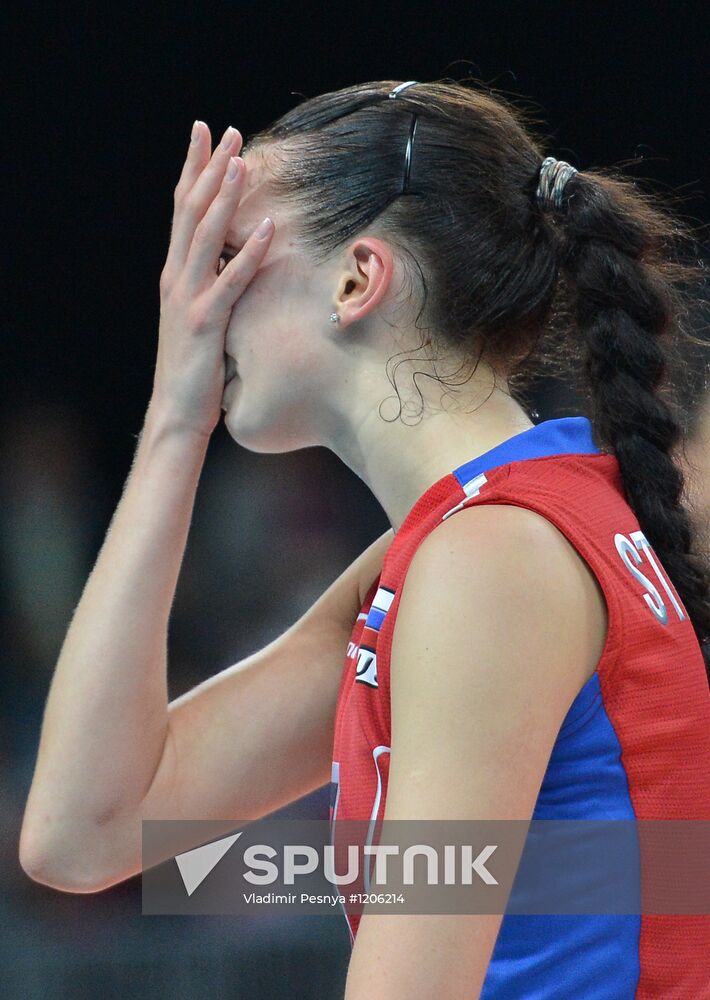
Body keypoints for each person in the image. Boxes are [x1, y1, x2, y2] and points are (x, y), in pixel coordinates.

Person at [19, 80, 710, 998]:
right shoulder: (469, 542)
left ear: (356, 280)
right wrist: (174, 423)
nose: (194, 308)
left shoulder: (494, 560)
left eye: (224, 258)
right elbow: (83, 834)